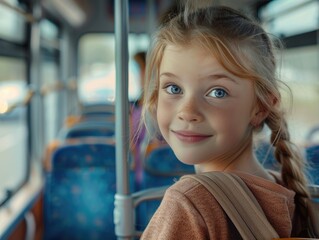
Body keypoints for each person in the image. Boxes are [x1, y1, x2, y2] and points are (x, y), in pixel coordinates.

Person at [140, 3, 317, 239]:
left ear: (261, 107)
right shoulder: (292, 193)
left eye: (217, 92)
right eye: (173, 88)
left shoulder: (190, 203)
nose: (187, 111)